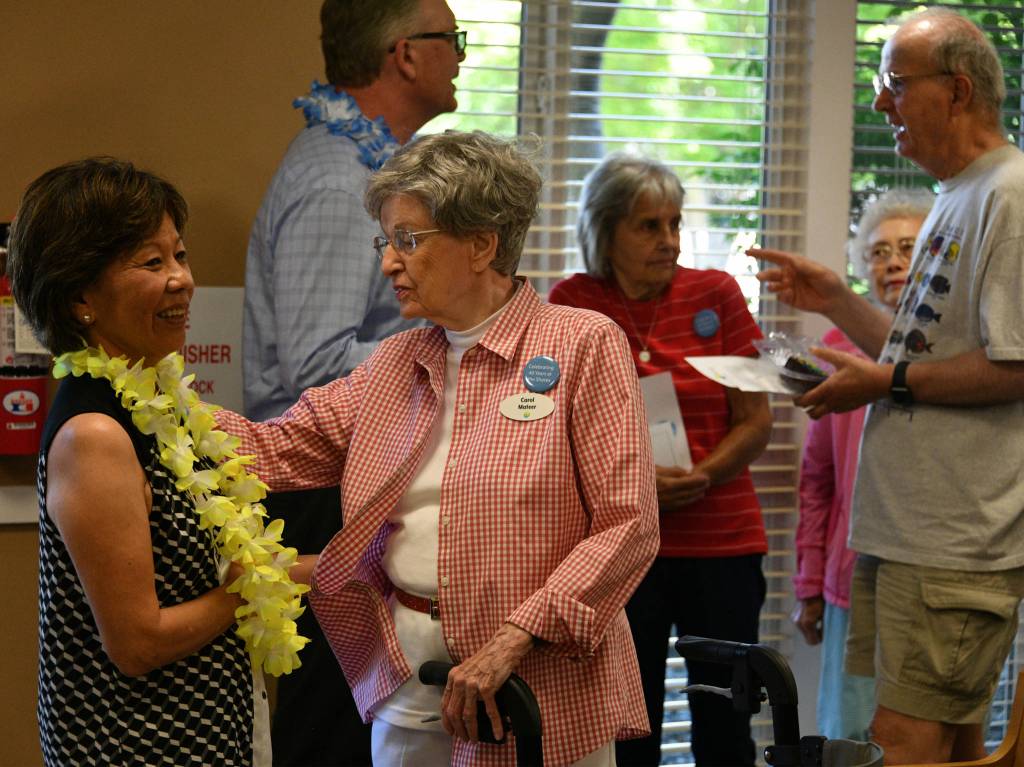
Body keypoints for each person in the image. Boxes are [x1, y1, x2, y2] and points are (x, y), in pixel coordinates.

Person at [217, 130, 660, 766]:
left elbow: (627, 526)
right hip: (408, 675)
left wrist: (514, 638)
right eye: (387, 241)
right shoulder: (395, 363)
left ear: (481, 244)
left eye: (408, 239)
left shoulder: (582, 344)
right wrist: (138, 399)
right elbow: (272, 448)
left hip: (539, 682)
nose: (390, 262)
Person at [755, 8, 1024, 763]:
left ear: (958, 91)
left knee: (902, 744)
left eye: (894, 85)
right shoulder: (956, 193)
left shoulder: (1010, 195)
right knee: (945, 742)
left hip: (954, 543)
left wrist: (886, 380)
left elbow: (1015, 365)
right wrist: (836, 299)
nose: (880, 103)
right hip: (910, 534)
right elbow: (921, 350)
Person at [6, 157, 312, 766]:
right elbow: (137, 643)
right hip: (136, 748)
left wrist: (325, 568)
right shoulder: (94, 434)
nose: (182, 279)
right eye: (152, 262)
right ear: (80, 298)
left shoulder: (159, 406)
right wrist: (248, 589)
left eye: (180, 255)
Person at [243, 1, 466, 762]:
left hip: (350, 482)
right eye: (451, 40)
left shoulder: (372, 170)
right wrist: (454, 330)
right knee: (334, 726)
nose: (461, 57)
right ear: (405, 55)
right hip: (319, 490)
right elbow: (316, 365)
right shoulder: (339, 182)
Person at [549, 153, 773, 766]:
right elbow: (556, 434)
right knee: (629, 725)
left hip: (722, 544)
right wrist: (637, 484)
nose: (669, 241)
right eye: (649, 227)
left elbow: (756, 421)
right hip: (621, 548)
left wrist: (703, 475)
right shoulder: (573, 301)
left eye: (674, 224)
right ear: (605, 230)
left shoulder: (717, 293)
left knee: (727, 720)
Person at [792, 189, 933, 742]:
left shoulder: (962, 353)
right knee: (849, 735)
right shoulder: (834, 345)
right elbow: (818, 480)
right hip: (849, 580)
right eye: (878, 252)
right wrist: (808, 583)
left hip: (930, 574)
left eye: (907, 247)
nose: (892, 261)